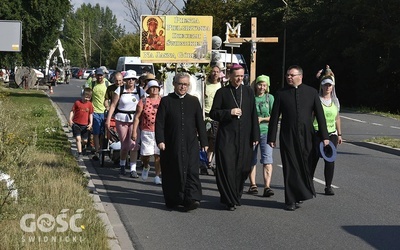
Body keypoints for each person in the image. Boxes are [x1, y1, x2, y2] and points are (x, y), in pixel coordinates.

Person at [267, 65, 329, 211]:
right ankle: (290, 200)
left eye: (291, 75)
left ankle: (300, 193)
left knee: (306, 166)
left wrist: (325, 137)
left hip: (307, 136)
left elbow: (320, 116)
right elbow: (275, 117)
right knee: (290, 167)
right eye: (287, 75)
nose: (289, 77)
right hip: (288, 136)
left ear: (300, 76)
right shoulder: (281, 93)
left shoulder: (311, 92)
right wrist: (271, 137)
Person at [209, 64, 260, 211]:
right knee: (227, 167)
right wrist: (229, 112)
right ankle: (228, 199)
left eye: (242, 76)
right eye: (236, 76)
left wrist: (255, 135)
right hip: (227, 137)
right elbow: (213, 113)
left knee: (243, 168)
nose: (239, 79)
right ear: (230, 75)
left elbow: (253, 115)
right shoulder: (222, 92)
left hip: (245, 137)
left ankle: (236, 194)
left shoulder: (249, 92)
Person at [155, 72, 208, 211]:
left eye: (185, 84)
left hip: (190, 143)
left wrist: (204, 142)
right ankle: (175, 199)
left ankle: (192, 198)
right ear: (174, 84)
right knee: (174, 171)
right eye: (180, 84)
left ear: (189, 85)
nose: (183, 87)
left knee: (191, 170)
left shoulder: (194, 101)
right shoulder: (166, 101)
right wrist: (160, 140)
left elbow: (200, 123)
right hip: (172, 142)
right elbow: (159, 122)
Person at [106, 70, 145, 177]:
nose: (131, 81)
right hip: (121, 119)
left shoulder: (140, 91)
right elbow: (113, 105)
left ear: (136, 80)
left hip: (135, 120)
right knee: (124, 145)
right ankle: (122, 164)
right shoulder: (120, 90)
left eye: (133, 79)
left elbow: (145, 104)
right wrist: (108, 120)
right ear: (125, 80)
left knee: (133, 145)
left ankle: (133, 169)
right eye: (128, 79)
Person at [312, 65, 342, 195]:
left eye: (330, 85)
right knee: (313, 159)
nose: (328, 87)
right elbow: (311, 116)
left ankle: (328, 186)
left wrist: (339, 134)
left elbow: (337, 118)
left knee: (330, 160)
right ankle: (309, 183)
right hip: (317, 132)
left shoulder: (335, 101)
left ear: (333, 87)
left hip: (332, 134)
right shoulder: (316, 99)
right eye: (325, 85)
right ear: (322, 86)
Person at [247, 75, 275, 197]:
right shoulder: (251, 98)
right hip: (252, 133)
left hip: (266, 132)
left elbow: (275, 116)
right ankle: (253, 185)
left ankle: (267, 186)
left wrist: (262, 119)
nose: (262, 87)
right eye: (260, 84)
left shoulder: (270, 98)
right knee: (251, 159)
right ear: (256, 85)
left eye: (264, 85)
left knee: (267, 160)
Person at [132, 80, 162, 185]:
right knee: (146, 154)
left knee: (157, 154)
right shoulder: (143, 101)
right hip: (146, 131)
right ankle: (146, 166)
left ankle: (157, 175)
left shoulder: (163, 101)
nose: (154, 90)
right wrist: (134, 131)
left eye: (156, 88)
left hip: (159, 131)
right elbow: (137, 117)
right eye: (152, 88)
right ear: (148, 90)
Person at [202, 65, 223, 175]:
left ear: (220, 73)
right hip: (205, 116)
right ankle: (203, 163)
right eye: (213, 71)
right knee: (203, 141)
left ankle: (210, 162)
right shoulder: (204, 84)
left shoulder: (222, 86)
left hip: (216, 117)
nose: (215, 73)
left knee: (214, 141)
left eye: (217, 72)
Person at [89, 67, 109, 161]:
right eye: (98, 75)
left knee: (103, 134)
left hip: (104, 112)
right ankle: (97, 152)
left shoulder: (107, 84)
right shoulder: (93, 84)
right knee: (96, 133)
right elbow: (87, 95)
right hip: (95, 112)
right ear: (95, 75)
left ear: (103, 75)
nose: (99, 77)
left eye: (101, 75)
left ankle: (101, 149)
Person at [68, 88, 94, 161]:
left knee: (85, 141)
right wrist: (70, 119)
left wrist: (91, 123)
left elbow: (91, 114)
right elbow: (72, 111)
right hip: (76, 124)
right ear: (82, 95)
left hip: (85, 125)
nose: (87, 99)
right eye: (85, 97)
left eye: (89, 98)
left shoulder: (90, 105)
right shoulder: (77, 103)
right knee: (78, 138)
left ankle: (82, 147)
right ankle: (80, 153)